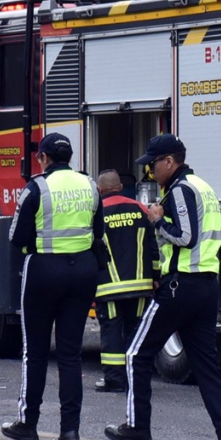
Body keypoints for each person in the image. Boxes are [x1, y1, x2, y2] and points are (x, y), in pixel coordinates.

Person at [104, 133, 221, 440]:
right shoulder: (204, 188)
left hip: (181, 285)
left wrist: (156, 220)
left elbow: (184, 235)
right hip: (207, 286)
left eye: (154, 165)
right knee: (207, 368)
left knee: (136, 353)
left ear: (170, 161)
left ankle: (138, 429)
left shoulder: (179, 190)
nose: (151, 171)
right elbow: (216, 239)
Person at [2, 133, 106, 440]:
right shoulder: (90, 185)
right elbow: (97, 231)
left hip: (44, 271)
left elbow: (16, 237)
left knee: (34, 352)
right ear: (69, 158)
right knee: (70, 355)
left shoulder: (36, 187)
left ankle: (27, 424)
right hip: (83, 271)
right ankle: (70, 431)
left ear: (45, 158)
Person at [94, 168, 157, 393]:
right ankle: (136, 379)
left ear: (99, 190)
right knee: (135, 332)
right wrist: (156, 277)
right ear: (120, 187)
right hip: (141, 286)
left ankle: (115, 381)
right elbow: (153, 246)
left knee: (111, 332)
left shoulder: (97, 213)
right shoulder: (140, 209)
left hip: (108, 287)